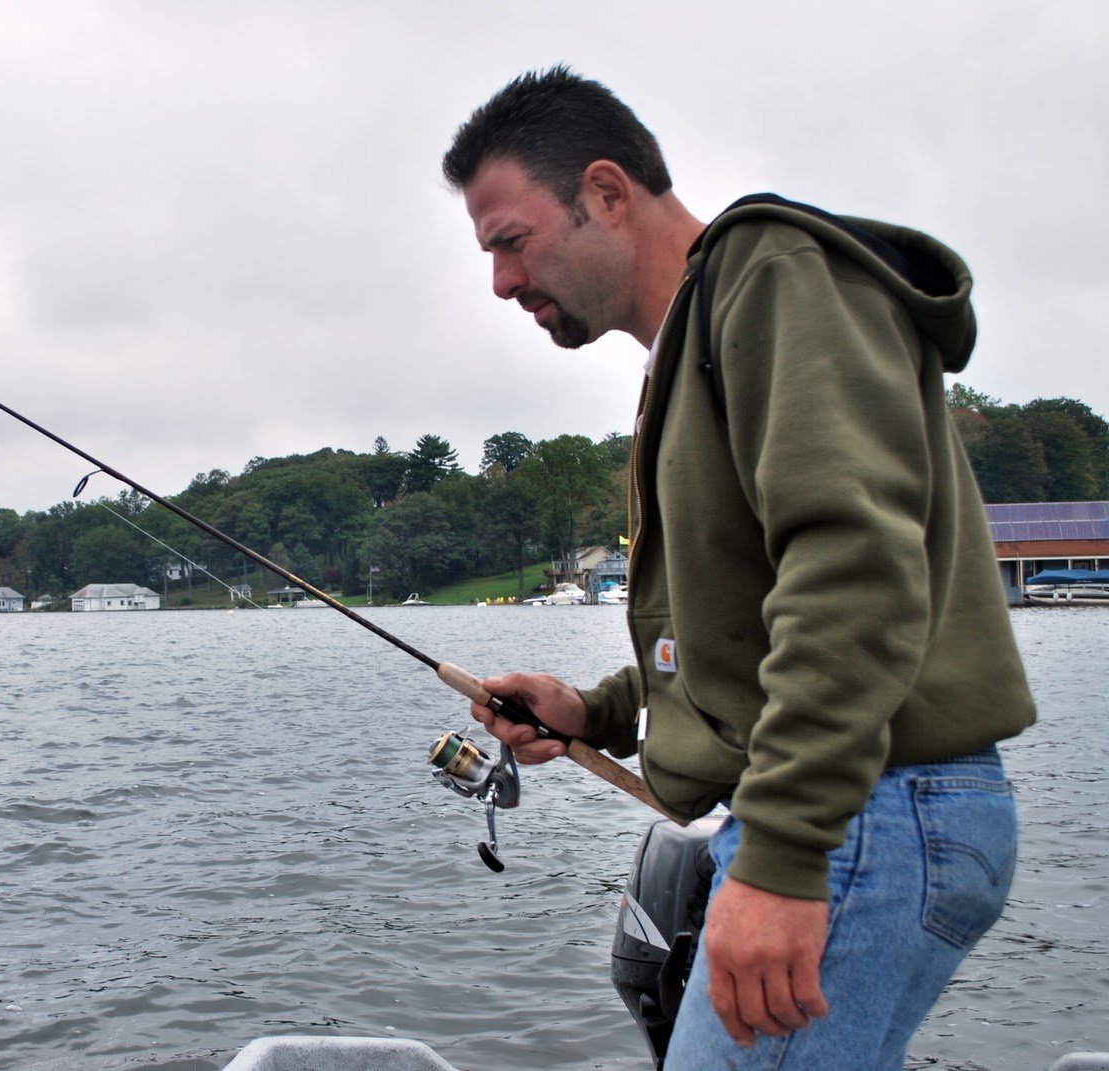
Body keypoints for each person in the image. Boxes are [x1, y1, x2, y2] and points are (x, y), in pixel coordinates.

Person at [441, 67, 1035, 1069]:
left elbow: (852, 572)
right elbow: (746, 628)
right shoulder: (691, 347)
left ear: (605, 192)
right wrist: (600, 711)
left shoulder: (769, 275)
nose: (500, 281)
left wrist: (786, 854)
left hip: (866, 814)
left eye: (509, 241)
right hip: (857, 811)